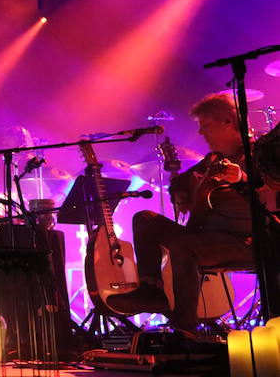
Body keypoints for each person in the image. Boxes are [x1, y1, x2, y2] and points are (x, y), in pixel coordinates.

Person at [108, 93, 254, 335]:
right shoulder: (212, 160)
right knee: (145, 219)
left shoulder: (255, 155)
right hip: (206, 237)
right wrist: (183, 194)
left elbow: (266, 189)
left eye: (205, 125)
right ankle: (152, 289)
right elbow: (179, 183)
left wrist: (241, 179)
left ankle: (185, 327)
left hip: (245, 241)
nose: (201, 133)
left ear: (227, 122)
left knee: (184, 246)